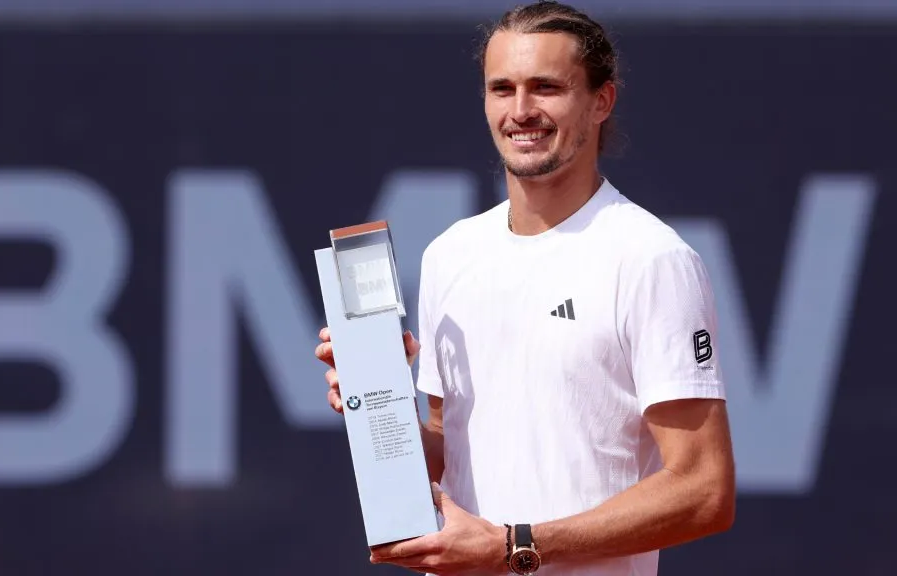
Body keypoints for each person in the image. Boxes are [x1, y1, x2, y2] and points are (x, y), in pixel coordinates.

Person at [315, 2, 735, 574]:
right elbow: (450, 451)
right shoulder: (450, 255)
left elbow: (703, 490)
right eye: (501, 88)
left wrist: (516, 546)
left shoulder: (651, 259)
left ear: (600, 101)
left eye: (546, 88)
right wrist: (376, 406)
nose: (521, 111)